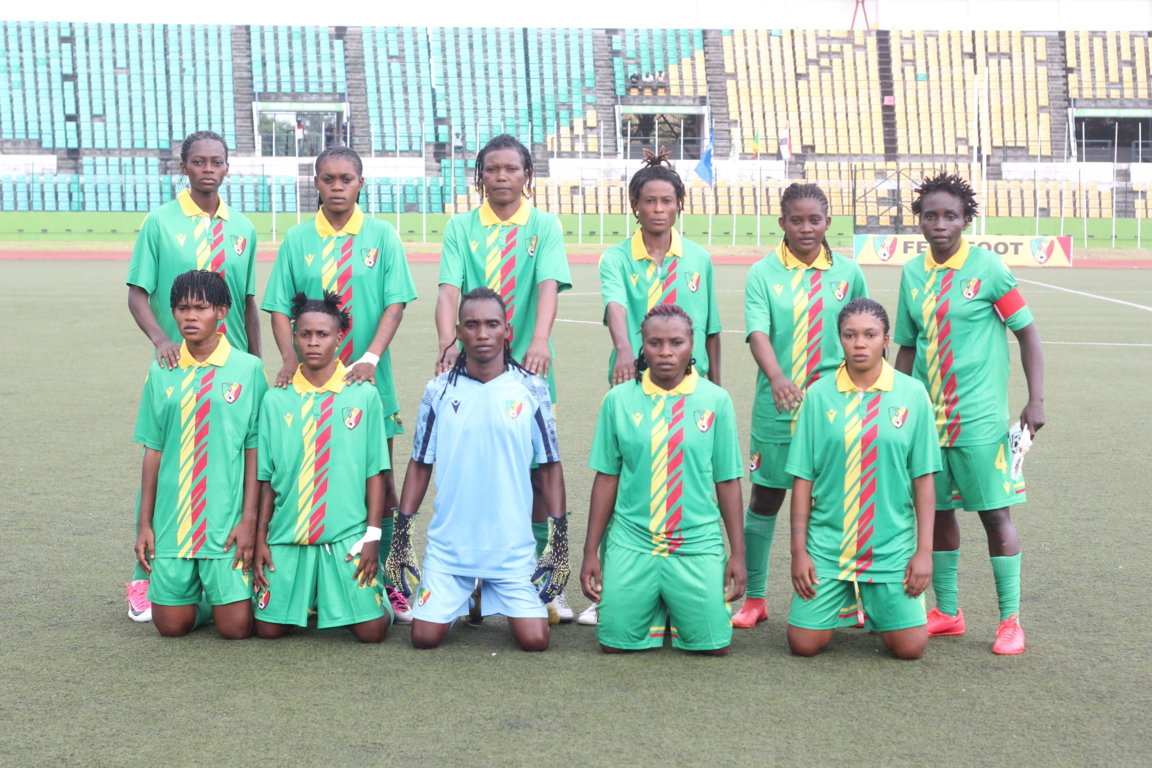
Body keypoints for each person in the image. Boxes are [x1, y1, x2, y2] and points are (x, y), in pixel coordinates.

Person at [263, 145, 417, 622]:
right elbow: (278, 306)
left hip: (367, 381)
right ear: (316, 183)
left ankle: (391, 577)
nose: (336, 187)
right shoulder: (297, 239)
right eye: (328, 179)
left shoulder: (382, 235)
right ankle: (308, 579)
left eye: (345, 179)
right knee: (300, 472)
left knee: (380, 479)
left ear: (360, 183)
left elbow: (395, 303)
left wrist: (370, 357)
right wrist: (290, 358)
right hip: (306, 384)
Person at [894, 172, 1045, 655]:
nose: (940, 224)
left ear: (965, 220)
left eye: (950, 216)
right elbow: (906, 346)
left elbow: (1027, 333)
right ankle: (948, 611)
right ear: (919, 221)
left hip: (978, 418)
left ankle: (1010, 621)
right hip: (926, 420)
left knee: (995, 516)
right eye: (931, 216)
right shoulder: (912, 274)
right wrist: (890, 402)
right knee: (937, 513)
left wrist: (1036, 399)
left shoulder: (989, 269)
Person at [434, 134, 574, 621]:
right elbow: (448, 291)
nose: (501, 177)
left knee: (535, 469)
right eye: (492, 169)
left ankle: (540, 576)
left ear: (526, 175)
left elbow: (548, 286)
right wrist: (447, 341)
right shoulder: (461, 226)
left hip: (526, 368)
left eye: (511, 169)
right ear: (480, 176)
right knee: (469, 464)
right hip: (472, 366)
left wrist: (540, 340)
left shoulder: (544, 225)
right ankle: (469, 574)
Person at [584, 149, 723, 627]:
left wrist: (717, 386)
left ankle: (682, 584)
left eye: (667, 201)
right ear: (634, 206)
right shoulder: (616, 257)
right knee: (624, 479)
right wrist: (626, 352)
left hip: (692, 387)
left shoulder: (699, 258)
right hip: (633, 383)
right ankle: (611, 583)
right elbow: (616, 306)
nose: (658, 209)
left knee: (689, 479)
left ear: (679, 204)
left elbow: (711, 329)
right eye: (649, 201)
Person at [125, 129, 259, 622]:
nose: (208, 169)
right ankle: (145, 577)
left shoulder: (242, 228)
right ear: (184, 167)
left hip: (233, 369)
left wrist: (257, 360)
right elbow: (137, 293)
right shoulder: (160, 222)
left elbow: (246, 302)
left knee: (237, 467)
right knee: (167, 459)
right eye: (198, 161)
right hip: (177, 364)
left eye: (216, 161)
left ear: (227, 167)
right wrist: (162, 340)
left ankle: (236, 569)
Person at [392, 287, 567, 651]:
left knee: (535, 641)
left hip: (511, 549)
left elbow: (550, 467)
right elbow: (420, 464)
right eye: (471, 325)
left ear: (507, 331)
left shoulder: (532, 389)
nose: (482, 334)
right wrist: (402, 534)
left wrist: (559, 540)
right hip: (450, 549)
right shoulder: (438, 390)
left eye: (492, 324)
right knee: (423, 638)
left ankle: (486, 590)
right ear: (458, 332)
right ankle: (467, 594)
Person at [731, 182, 868, 629]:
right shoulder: (763, 273)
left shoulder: (849, 273)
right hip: (778, 406)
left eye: (814, 220)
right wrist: (776, 376)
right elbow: (757, 332)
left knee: (837, 501)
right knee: (766, 497)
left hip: (837, 408)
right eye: (796, 220)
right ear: (782, 223)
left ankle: (846, 597)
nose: (806, 228)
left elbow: (863, 333)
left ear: (828, 222)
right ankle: (755, 599)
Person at [580, 304, 745, 655]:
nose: (666, 352)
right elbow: (607, 478)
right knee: (614, 643)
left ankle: (671, 603)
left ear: (691, 345)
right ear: (643, 344)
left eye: (676, 342)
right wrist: (590, 551)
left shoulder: (716, 400)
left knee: (712, 647)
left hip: (695, 542)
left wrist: (738, 553)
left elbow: (727, 480)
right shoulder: (618, 400)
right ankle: (658, 601)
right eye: (655, 343)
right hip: (633, 540)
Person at [786, 298, 940, 659]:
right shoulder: (819, 394)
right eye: (850, 335)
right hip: (829, 546)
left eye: (870, 335)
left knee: (910, 649)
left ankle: (874, 602)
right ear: (839, 338)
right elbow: (803, 480)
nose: (859, 343)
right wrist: (798, 552)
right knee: (803, 645)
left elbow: (924, 480)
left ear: (885, 339)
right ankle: (846, 600)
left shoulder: (912, 393)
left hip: (890, 548)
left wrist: (923, 552)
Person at [132, 270, 266, 639]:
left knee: (235, 629)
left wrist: (249, 521)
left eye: (200, 308)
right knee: (171, 627)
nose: (190, 316)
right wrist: (145, 524)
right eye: (182, 308)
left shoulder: (248, 368)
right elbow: (153, 451)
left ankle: (225, 601)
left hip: (225, 522)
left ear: (221, 312)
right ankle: (202, 601)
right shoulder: (162, 370)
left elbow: (254, 449)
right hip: (173, 521)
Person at [252, 292, 390, 643]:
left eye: (322, 334)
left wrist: (372, 536)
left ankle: (368, 597)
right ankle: (314, 595)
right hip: (288, 535)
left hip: (345, 536)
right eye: (305, 334)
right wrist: (261, 538)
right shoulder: (275, 398)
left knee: (372, 632)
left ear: (339, 337)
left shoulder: (363, 395)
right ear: (294, 337)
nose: (313, 342)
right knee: (268, 630)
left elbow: (375, 472)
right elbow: (266, 478)